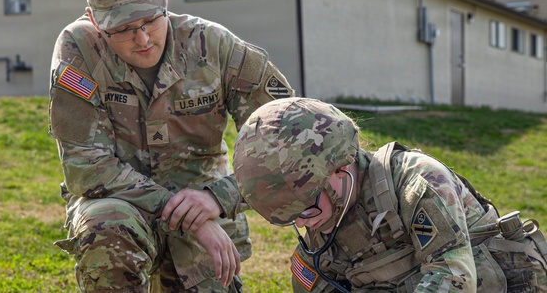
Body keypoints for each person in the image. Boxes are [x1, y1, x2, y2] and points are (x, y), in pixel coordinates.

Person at [48, 0, 294, 292]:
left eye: (151, 19)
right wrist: (181, 213)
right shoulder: (80, 51)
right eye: (122, 28)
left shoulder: (214, 46)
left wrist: (219, 197)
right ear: (93, 20)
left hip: (204, 205)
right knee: (105, 224)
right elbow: (85, 166)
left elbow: (286, 138)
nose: (143, 38)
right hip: (124, 207)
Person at [233, 97, 547, 292]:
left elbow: (453, 276)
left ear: (338, 169)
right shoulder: (317, 203)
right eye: (290, 216)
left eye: (306, 207)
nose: (304, 223)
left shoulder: (417, 182)